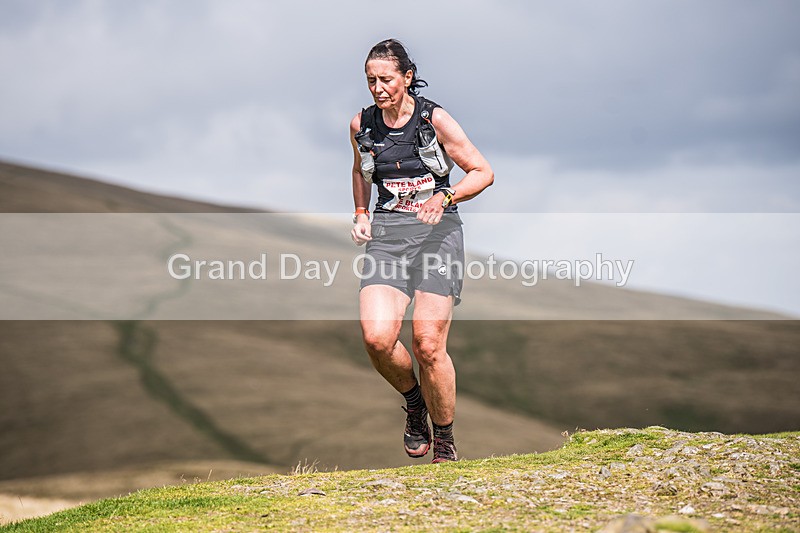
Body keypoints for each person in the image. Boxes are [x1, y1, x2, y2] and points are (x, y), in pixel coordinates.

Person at [349, 39, 493, 463]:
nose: (378, 88)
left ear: (407, 77)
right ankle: (415, 403)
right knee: (377, 338)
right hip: (388, 237)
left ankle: (444, 441)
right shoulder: (362, 124)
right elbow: (359, 169)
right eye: (371, 81)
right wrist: (361, 212)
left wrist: (445, 197)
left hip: (437, 236)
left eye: (386, 79)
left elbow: (482, 172)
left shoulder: (434, 119)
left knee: (427, 344)